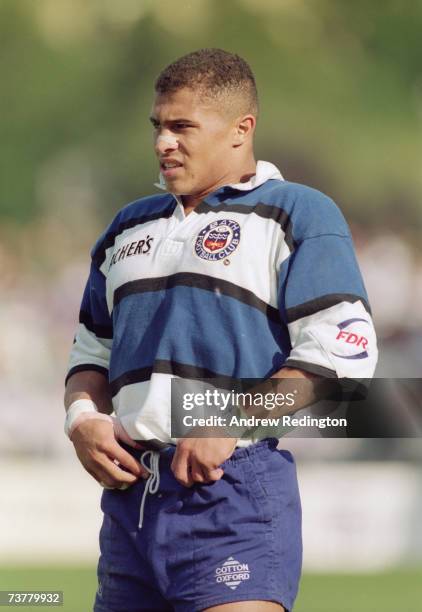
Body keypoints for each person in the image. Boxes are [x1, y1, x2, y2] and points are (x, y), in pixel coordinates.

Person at [64, 49, 378, 612]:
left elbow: (343, 351)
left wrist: (227, 420)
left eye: (182, 126)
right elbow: (92, 349)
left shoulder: (297, 213)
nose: (163, 142)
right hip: (130, 503)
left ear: (241, 130)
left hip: (232, 491)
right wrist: (82, 418)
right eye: (158, 126)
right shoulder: (126, 226)